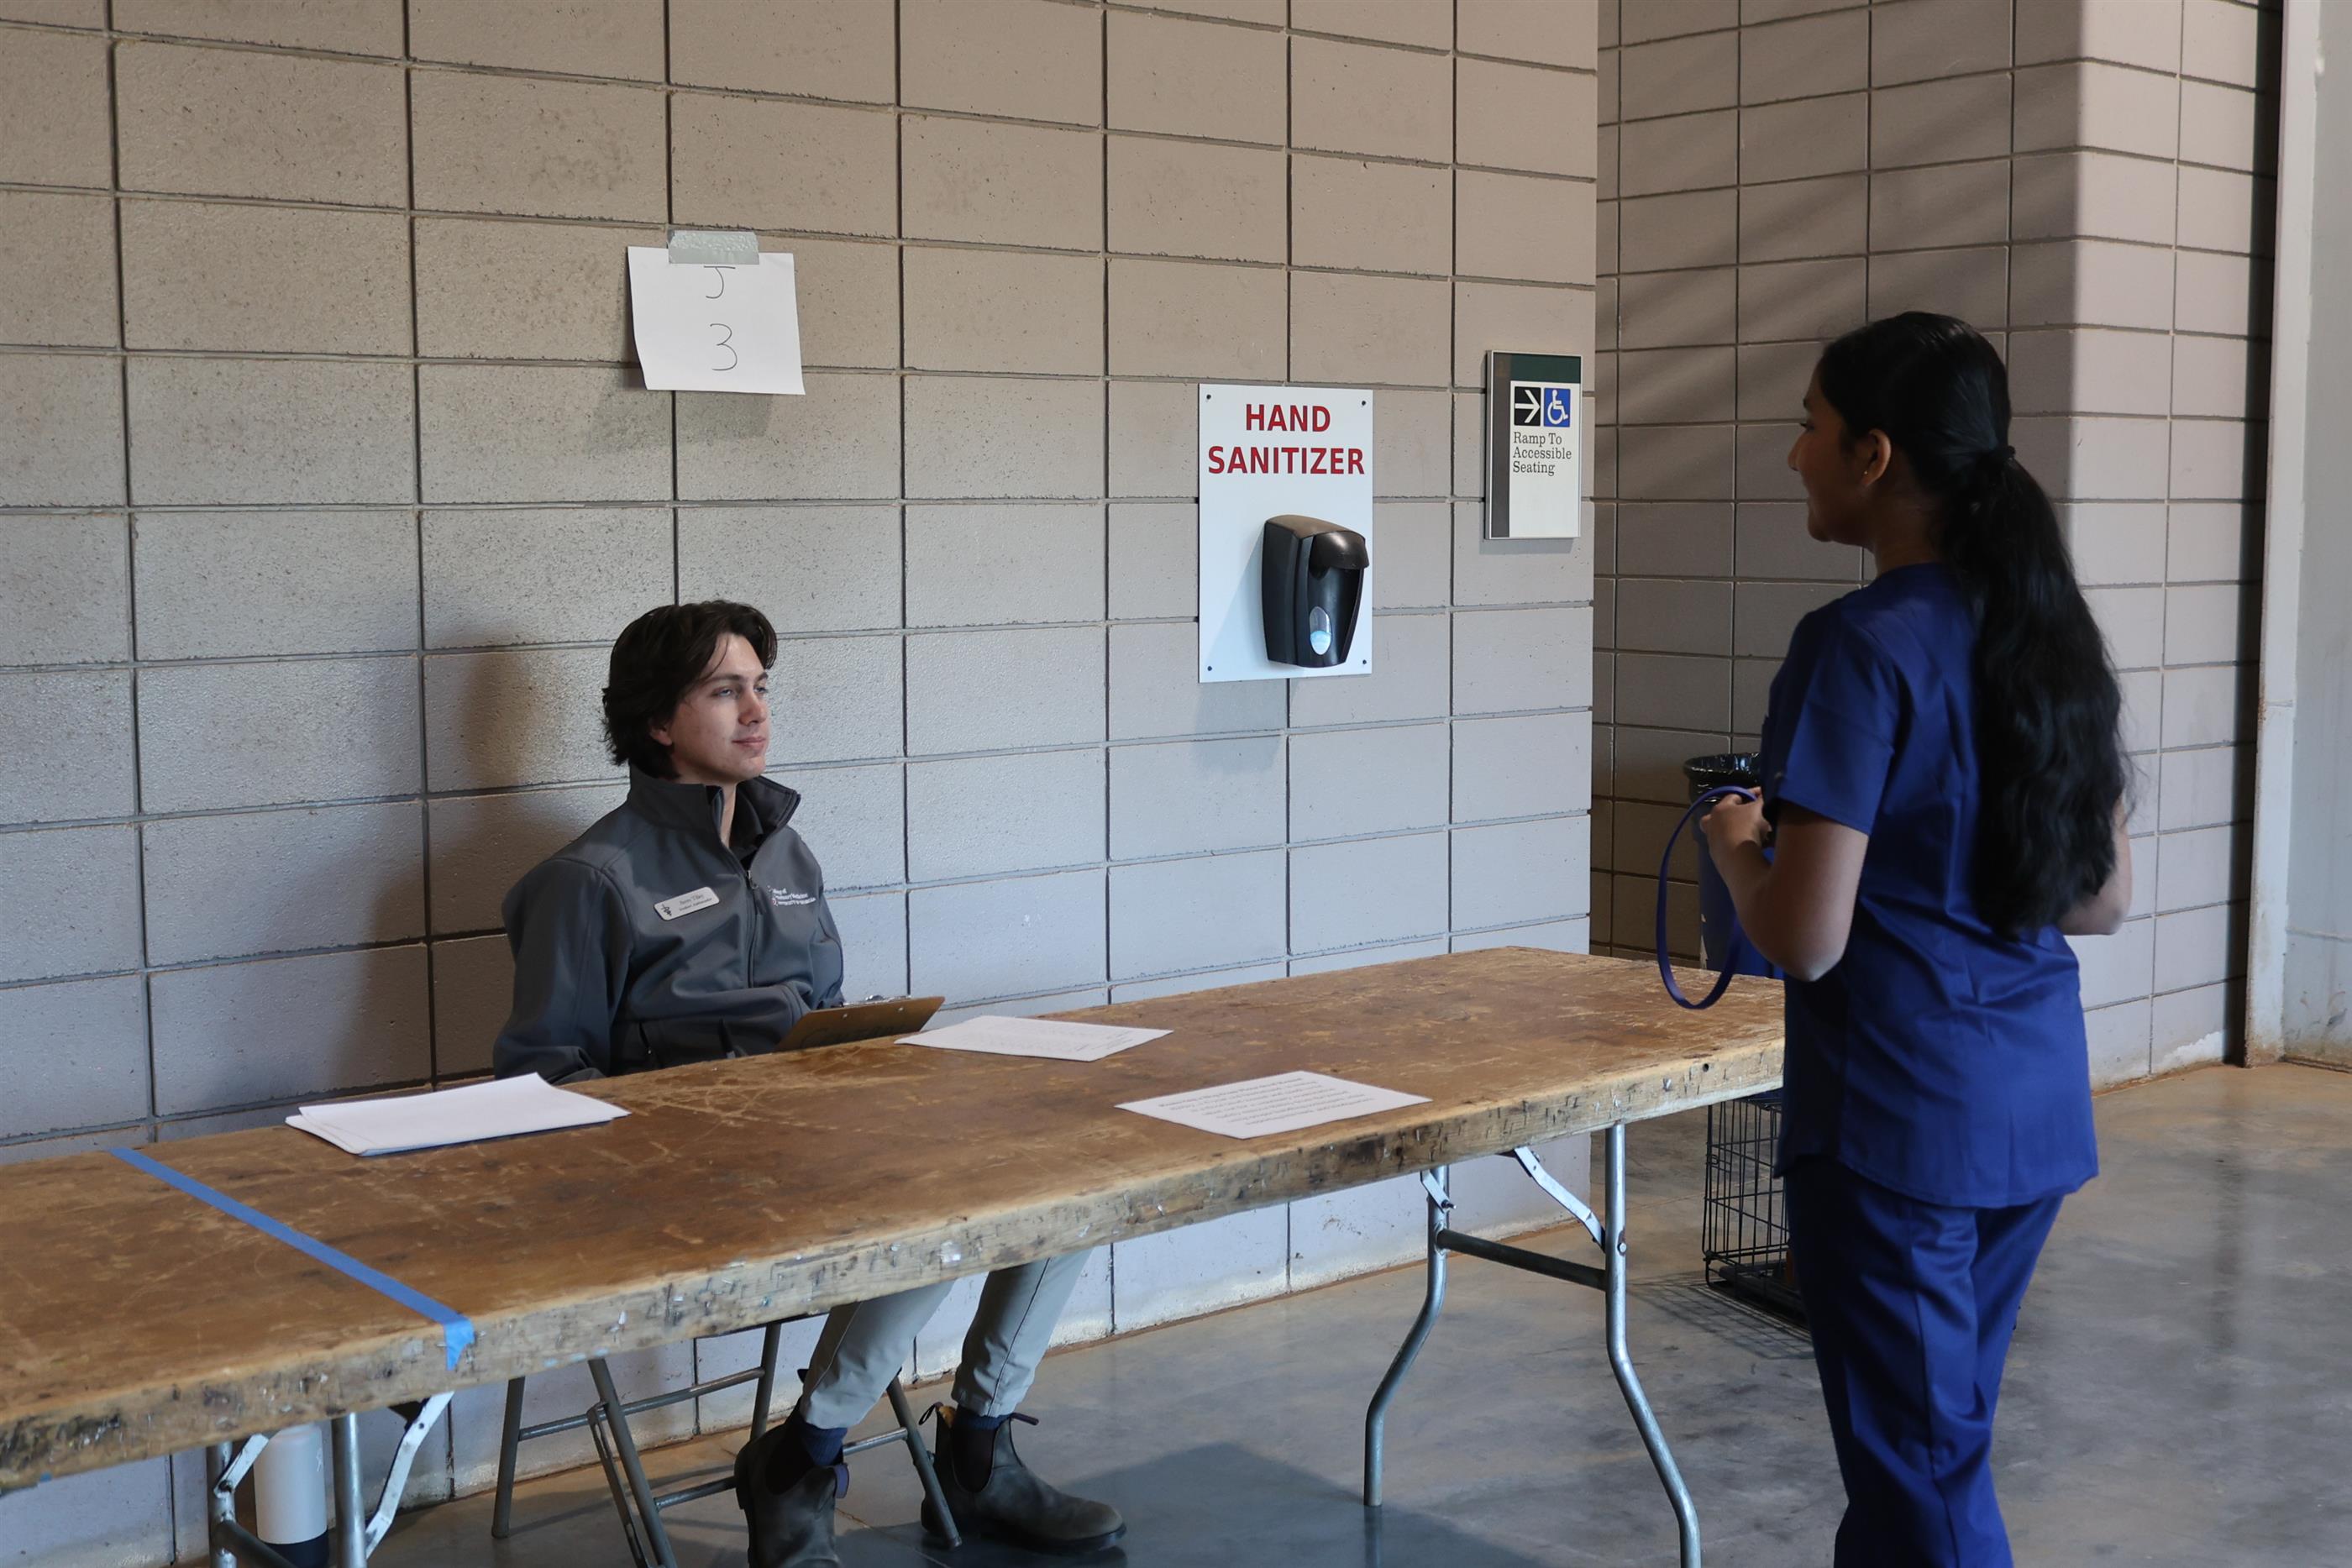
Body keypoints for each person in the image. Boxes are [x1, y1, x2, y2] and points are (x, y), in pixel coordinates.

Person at [494, 600, 1125, 1568]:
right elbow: (541, 1079)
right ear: (657, 721)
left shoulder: (788, 852)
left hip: (807, 1147)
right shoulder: (591, 879)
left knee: (1071, 1169)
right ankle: (803, 1458)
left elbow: (821, 1013)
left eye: (760, 687)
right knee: (939, 1203)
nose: (756, 712)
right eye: (725, 691)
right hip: (672, 1184)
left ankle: (977, 1444)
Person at [1698, 313, 2133, 1566]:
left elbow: (1806, 936)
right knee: (1926, 1451)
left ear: (1874, 454)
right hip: (2029, 1113)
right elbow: (2097, 900)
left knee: (1922, 1477)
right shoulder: (2047, 631)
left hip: (1897, 1129)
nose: (1795, 454)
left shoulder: (1858, 646)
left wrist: (1736, 842)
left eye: (1810, 427)